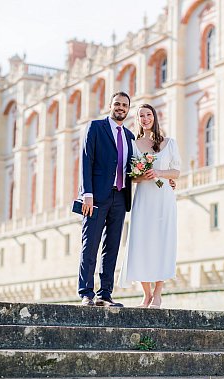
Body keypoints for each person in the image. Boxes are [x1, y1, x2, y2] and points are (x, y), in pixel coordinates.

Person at [118, 104, 181, 308]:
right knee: (140, 241)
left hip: (164, 198)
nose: (145, 119)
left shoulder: (169, 143)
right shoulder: (134, 144)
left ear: (154, 117)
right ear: (137, 120)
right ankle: (146, 294)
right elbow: (132, 178)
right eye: (141, 116)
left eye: (148, 115)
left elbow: (176, 172)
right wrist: (141, 174)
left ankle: (158, 293)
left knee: (163, 241)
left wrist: (160, 173)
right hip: (144, 198)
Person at [78, 92, 134, 307]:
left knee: (112, 246)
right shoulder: (95, 127)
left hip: (120, 196)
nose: (121, 107)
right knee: (89, 243)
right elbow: (86, 160)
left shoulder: (129, 136)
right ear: (110, 106)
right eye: (117, 104)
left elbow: (133, 167)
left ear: (128, 109)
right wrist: (87, 194)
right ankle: (86, 292)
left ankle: (105, 294)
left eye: (125, 105)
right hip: (96, 197)